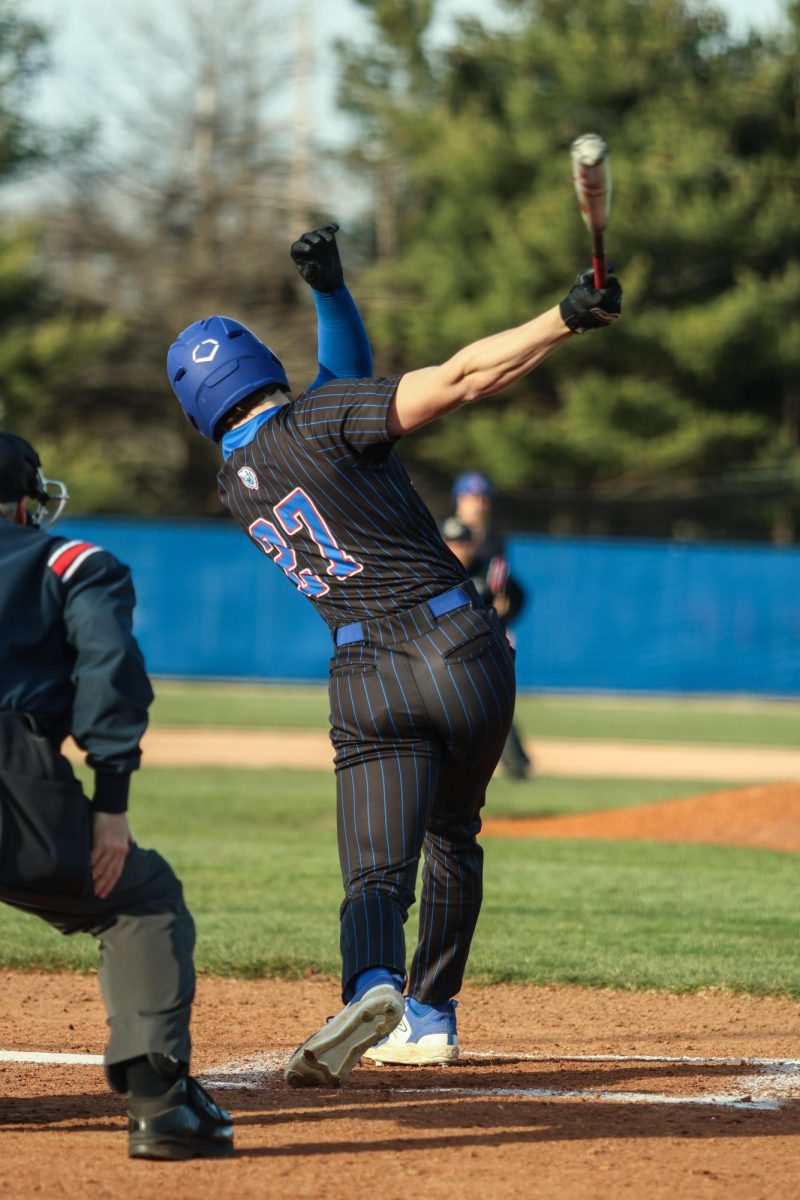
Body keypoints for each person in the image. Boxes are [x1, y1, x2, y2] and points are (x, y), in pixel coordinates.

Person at [166, 226, 622, 1083]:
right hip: (457, 646)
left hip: (363, 673)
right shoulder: (328, 419)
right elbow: (461, 377)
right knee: (454, 833)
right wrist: (563, 319)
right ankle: (432, 1013)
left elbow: (343, 392)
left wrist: (332, 294)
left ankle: (372, 982)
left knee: (375, 871)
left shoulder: (238, 480)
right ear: (266, 366)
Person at [0, 432, 233, 1160]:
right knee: (140, 898)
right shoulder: (68, 560)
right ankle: (160, 1105)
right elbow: (109, 668)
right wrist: (111, 803)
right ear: (20, 502)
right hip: (15, 777)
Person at [450, 474, 532, 779]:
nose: (478, 505)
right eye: (471, 498)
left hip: (486, 626)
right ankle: (514, 761)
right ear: (459, 500)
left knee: (490, 694)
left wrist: (503, 610)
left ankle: (514, 761)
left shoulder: (495, 541)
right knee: (476, 696)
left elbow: (505, 592)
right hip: (451, 627)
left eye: (483, 498)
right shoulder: (445, 534)